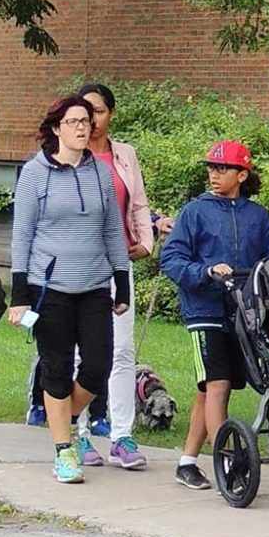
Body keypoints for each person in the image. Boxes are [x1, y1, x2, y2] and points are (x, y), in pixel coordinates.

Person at [8, 96, 130, 484]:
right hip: (49, 287)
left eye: (86, 121)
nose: (82, 127)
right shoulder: (34, 173)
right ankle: (64, 450)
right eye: (73, 121)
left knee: (98, 367)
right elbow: (22, 234)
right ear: (57, 128)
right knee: (56, 368)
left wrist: (121, 280)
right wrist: (19, 294)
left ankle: (68, 419)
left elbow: (113, 228)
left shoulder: (100, 173)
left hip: (94, 285)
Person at [161, 140, 269, 490]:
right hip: (205, 309)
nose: (214, 173)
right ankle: (227, 464)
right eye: (211, 167)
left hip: (245, 312)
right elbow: (172, 260)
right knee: (218, 385)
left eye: (222, 168)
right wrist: (206, 272)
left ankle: (186, 462)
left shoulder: (259, 217)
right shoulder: (195, 212)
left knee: (208, 391)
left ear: (242, 174)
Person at [65, 82, 156, 469]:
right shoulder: (66, 156)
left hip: (117, 264)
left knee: (121, 349)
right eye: (83, 113)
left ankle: (121, 435)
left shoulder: (124, 155)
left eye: (97, 112)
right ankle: (78, 431)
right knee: (79, 351)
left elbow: (137, 203)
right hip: (77, 266)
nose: (90, 120)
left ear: (110, 114)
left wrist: (146, 241)